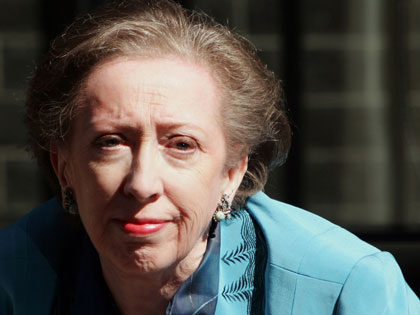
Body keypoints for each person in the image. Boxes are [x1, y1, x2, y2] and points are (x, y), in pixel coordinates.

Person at [0, 0, 419, 314]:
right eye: (111, 142)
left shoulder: (345, 288)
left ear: (232, 171)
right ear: (64, 167)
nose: (143, 183)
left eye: (181, 145)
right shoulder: (11, 280)